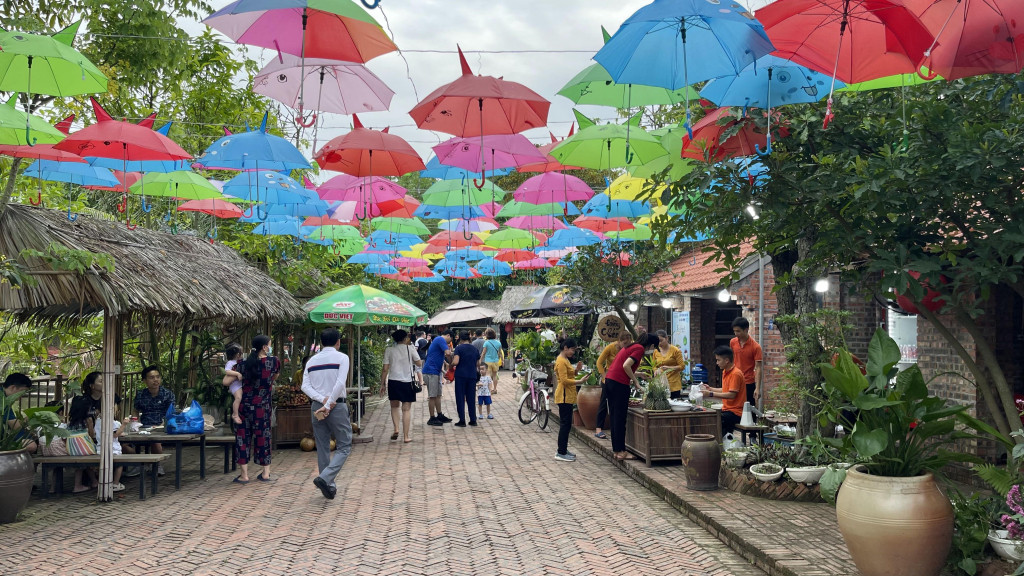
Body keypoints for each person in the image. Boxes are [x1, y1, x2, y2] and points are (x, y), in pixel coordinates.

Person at [300, 327, 352, 500]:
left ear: (321, 342)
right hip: (336, 406)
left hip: (317, 407)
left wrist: (321, 400)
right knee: (344, 445)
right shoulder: (342, 358)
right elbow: (339, 383)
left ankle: (328, 485)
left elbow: (304, 386)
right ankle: (325, 478)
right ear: (338, 342)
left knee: (322, 446)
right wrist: (329, 403)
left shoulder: (312, 361)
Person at [234, 335, 280, 484]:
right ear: (265, 347)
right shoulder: (273, 362)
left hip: (244, 406)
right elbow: (274, 377)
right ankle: (265, 473)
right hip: (263, 407)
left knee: (243, 438)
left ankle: (244, 475)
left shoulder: (242, 364)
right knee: (264, 437)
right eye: (269, 345)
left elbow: (232, 379)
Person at [604, 332, 657, 461]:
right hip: (619, 384)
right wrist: (636, 382)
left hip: (610, 381)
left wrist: (639, 374)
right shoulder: (639, 349)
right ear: (650, 345)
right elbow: (626, 365)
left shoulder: (631, 346)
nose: (652, 351)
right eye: (653, 348)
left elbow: (623, 366)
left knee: (615, 417)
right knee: (620, 418)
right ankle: (622, 452)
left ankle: (617, 451)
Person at [381, 329, 422, 443]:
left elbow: (385, 369)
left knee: (394, 406)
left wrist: (383, 383)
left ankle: (396, 429)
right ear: (405, 338)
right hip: (407, 381)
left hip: (393, 381)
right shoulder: (410, 348)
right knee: (406, 409)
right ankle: (406, 437)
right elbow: (419, 363)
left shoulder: (389, 350)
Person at [134, 365, 174, 476]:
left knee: (155, 440)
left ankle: (157, 465)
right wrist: (135, 423)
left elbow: (171, 413)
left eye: (157, 377)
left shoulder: (167, 394)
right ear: (144, 381)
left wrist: (162, 424)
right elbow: (135, 410)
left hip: (162, 426)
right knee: (124, 443)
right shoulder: (141, 394)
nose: (155, 380)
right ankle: (141, 464)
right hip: (144, 426)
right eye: (152, 377)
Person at [594, 332, 633, 440]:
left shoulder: (630, 348)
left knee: (617, 406)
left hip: (622, 380)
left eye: (628, 343)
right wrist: (604, 376)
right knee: (604, 402)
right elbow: (599, 362)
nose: (626, 345)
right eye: (624, 343)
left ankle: (615, 429)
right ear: (619, 341)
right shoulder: (610, 348)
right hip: (609, 379)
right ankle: (598, 428)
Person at [553, 338, 586, 462]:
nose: (573, 352)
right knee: (565, 424)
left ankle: (563, 449)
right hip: (564, 396)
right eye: (572, 349)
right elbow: (565, 380)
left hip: (567, 395)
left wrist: (577, 370)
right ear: (565, 348)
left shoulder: (565, 359)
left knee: (566, 425)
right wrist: (580, 381)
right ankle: (561, 451)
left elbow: (570, 375)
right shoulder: (561, 361)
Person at [702, 346, 745, 435]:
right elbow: (725, 389)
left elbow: (731, 395)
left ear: (726, 360)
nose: (717, 363)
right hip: (727, 410)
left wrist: (710, 394)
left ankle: (720, 444)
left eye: (718, 360)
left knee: (716, 420)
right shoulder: (725, 371)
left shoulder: (735, 374)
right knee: (708, 415)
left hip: (735, 412)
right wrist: (711, 388)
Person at [730, 317, 763, 407]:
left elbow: (758, 367)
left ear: (746, 330)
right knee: (734, 406)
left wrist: (757, 388)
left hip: (748, 382)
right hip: (735, 379)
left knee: (749, 409)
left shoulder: (756, 347)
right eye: (735, 331)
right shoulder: (733, 342)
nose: (736, 334)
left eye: (738, 331)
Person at [422, 330, 454, 426]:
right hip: (430, 372)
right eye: (450, 340)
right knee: (432, 396)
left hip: (435, 372)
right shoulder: (440, 339)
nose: (450, 342)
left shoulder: (438, 340)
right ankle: (432, 417)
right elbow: (448, 353)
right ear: (448, 335)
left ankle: (439, 414)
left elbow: (439, 356)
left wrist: (445, 370)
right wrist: (452, 362)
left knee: (438, 395)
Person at [451, 330, 481, 427]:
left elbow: (456, 362)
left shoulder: (459, 348)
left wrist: (450, 365)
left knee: (460, 398)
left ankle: (462, 420)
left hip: (461, 376)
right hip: (472, 375)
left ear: (460, 339)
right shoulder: (474, 349)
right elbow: (478, 364)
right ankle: (473, 420)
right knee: (471, 398)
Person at [2, 373, 37, 453]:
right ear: (13, 387)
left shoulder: (4, 396)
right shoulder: (3, 401)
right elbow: (15, 426)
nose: (22, 396)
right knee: (31, 445)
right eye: (22, 392)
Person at [653, 330, 686, 399]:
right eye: (657, 341)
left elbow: (682, 366)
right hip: (660, 384)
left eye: (661, 340)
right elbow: (654, 365)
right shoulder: (656, 351)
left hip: (673, 384)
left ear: (667, 338)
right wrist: (655, 371)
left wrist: (669, 368)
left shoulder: (675, 351)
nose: (659, 343)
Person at [222, 345, 245, 425]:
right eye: (240, 353)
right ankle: (235, 414)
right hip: (235, 385)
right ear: (237, 354)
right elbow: (227, 371)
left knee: (241, 398)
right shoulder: (230, 363)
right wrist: (237, 373)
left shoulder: (240, 362)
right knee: (238, 397)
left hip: (239, 384)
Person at [481, 328, 503, 395]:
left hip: (488, 361)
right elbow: (500, 353)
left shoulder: (486, 343)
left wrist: (480, 360)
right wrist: (502, 360)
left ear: (487, 335)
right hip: (496, 361)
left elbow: (483, 352)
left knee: (488, 376)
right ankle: (495, 389)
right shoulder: (498, 342)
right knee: (495, 375)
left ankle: (489, 389)